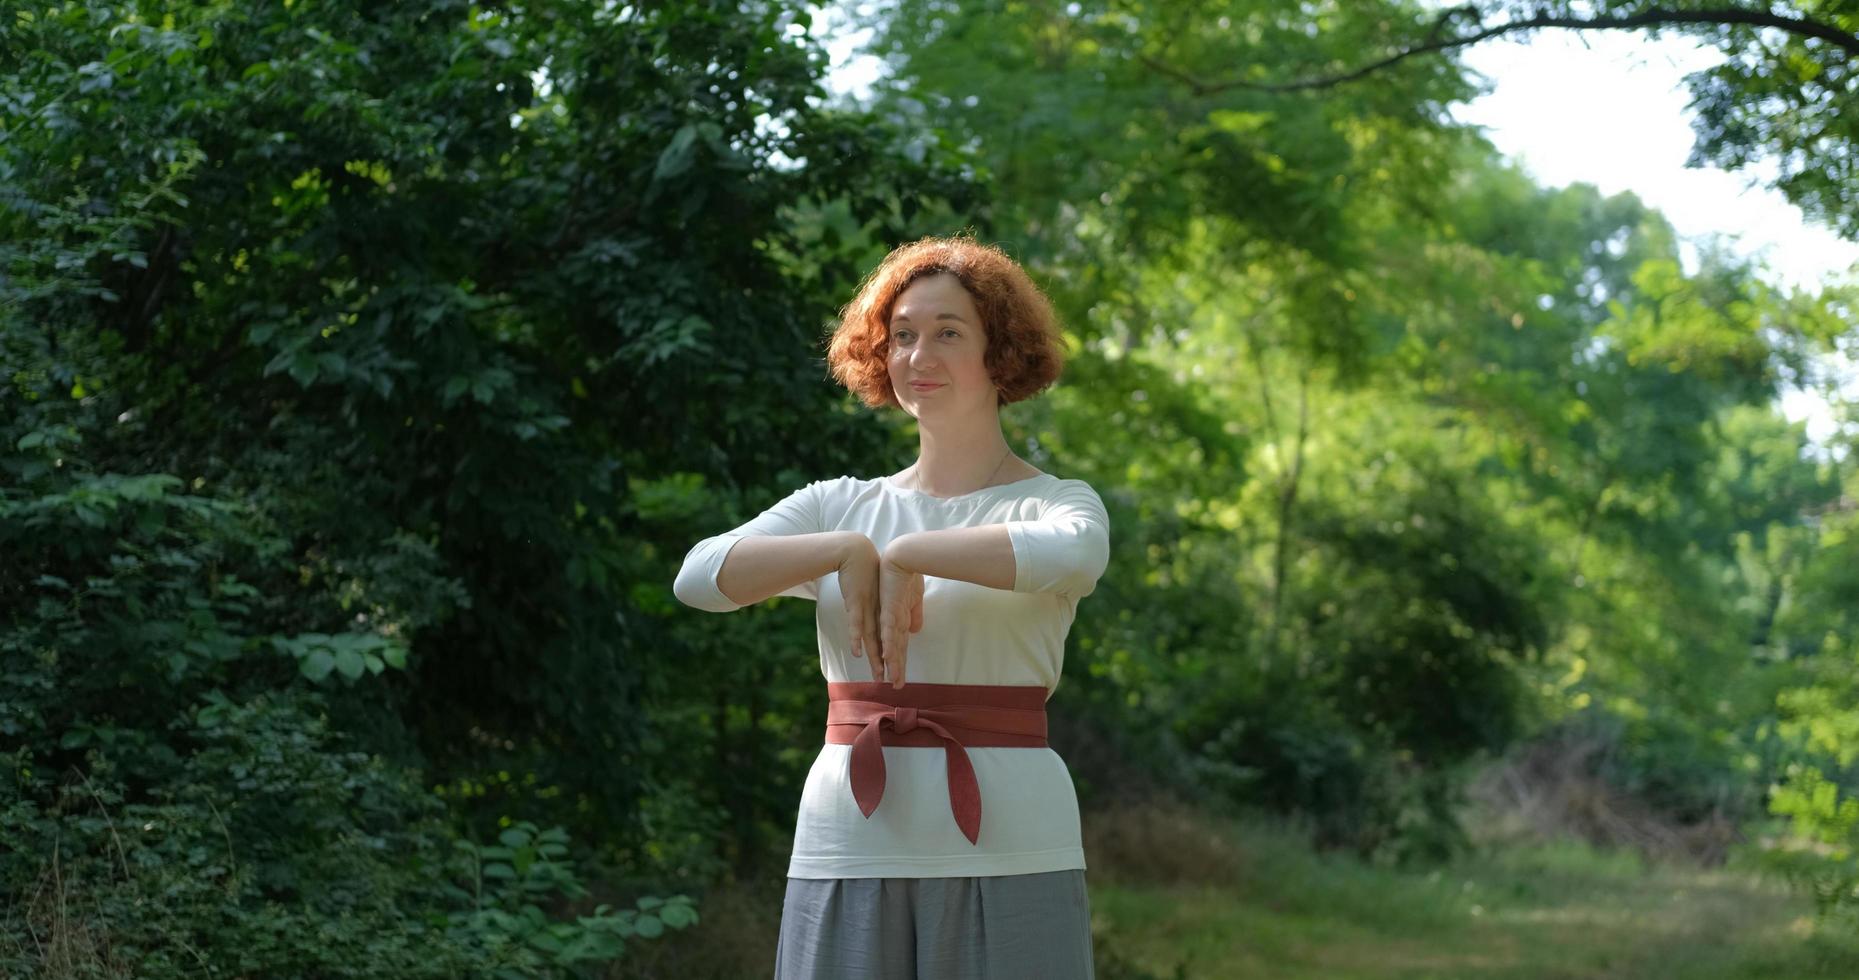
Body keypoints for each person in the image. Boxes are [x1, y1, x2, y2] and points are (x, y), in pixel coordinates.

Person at [673, 234, 1110, 978]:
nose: (917, 355)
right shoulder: (836, 507)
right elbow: (701, 578)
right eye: (901, 335)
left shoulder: (1054, 501)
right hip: (851, 828)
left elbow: (1075, 556)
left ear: (998, 350)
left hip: (1010, 833)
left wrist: (910, 553)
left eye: (947, 333)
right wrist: (848, 550)